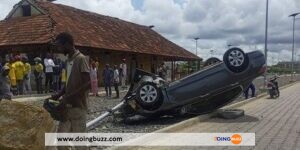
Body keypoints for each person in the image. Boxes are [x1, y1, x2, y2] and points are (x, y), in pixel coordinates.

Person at [51, 32, 90, 150]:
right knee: (61, 143)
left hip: (78, 107)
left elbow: (87, 83)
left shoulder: (81, 59)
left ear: (67, 44)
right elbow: (68, 83)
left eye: (59, 46)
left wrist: (68, 97)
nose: (58, 49)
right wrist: (59, 94)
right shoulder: (68, 60)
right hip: (66, 107)